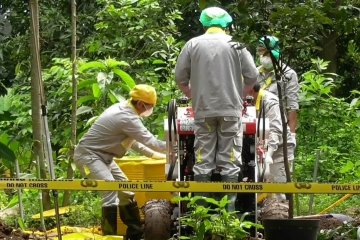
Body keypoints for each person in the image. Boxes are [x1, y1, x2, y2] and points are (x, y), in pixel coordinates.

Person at [175, 6, 259, 211]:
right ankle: (228, 215)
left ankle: (201, 212)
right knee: (230, 159)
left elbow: (180, 78)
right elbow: (253, 76)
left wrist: (193, 97)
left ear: (204, 23)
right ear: (226, 24)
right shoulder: (236, 45)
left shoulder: (192, 44)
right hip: (231, 110)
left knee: (202, 158)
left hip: (203, 111)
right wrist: (240, 96)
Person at [74, 84, 166, 239]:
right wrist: (175, 146)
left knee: (126, 191)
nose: (150, 109)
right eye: (149, 106)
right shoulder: (125, 116)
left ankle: (134, 234)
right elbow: (152, 142)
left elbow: (134, 142)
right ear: (140, 104)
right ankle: (109, 236)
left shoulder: (127, 110)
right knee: (110, 190)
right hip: (88, 156)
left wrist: (154, 155)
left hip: (105, 157)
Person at [247, 83, 296, 200]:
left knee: (279, 187)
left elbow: (275, 130)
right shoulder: (248, 101)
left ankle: (282, 214)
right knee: (260, 186)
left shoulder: (270, 102)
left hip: (279, 147)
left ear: (251, 89)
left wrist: (269, 154)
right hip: (260, 145)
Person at [256, 35, 299, 144]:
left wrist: (292, 134)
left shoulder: (288, 74)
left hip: (278, 126)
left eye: (265, 52)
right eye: (260, 52)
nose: (263, 55)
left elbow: (292, 106)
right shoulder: (255, 73)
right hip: (257, 126)